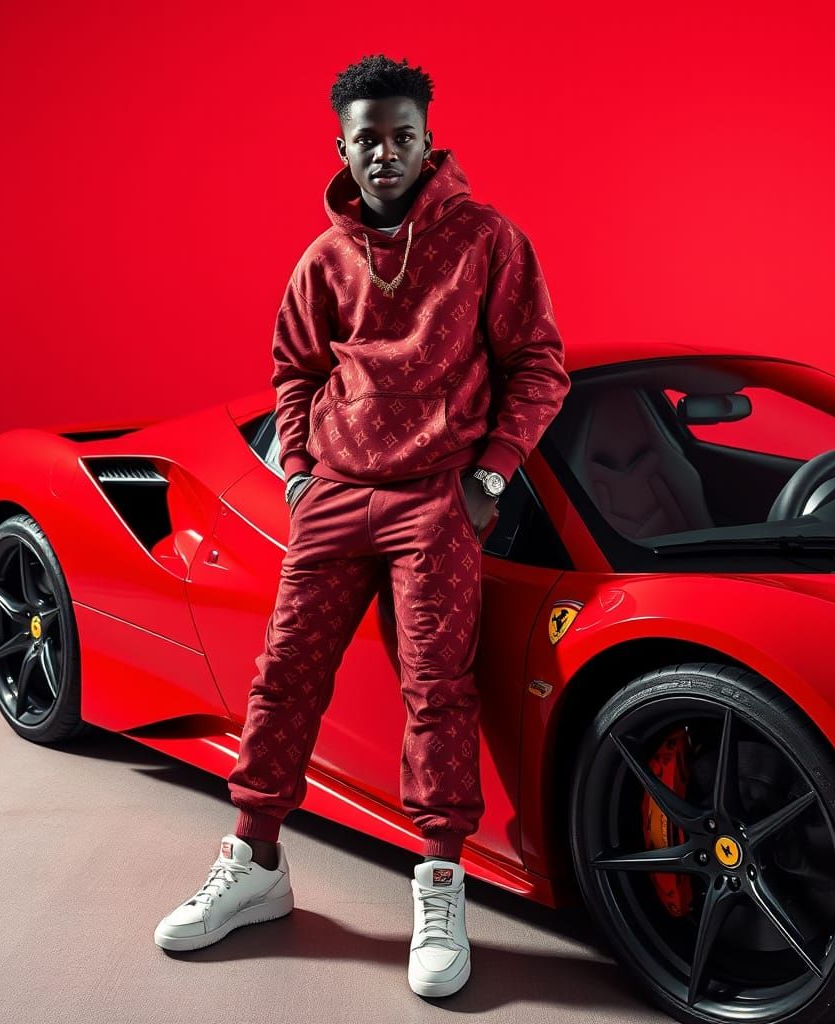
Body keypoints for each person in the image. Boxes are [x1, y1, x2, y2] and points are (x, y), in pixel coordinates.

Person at [155, 53, 570, 998]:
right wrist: (301, 474)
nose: (386, 152)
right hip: (336, 495)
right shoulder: (324, 257)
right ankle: (254, 863)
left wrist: (489, 478)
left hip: (438, 497)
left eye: (402, 135)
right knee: (284, 674)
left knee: (439, 689)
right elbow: (294, 371)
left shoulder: (489, 241)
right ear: (342, 148)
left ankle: (440, 887)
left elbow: (540, 366)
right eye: (368, 138)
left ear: (429, 142)